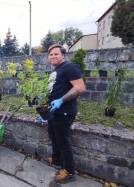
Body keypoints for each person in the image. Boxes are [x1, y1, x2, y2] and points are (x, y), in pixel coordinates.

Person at [45, 44, 85, 184]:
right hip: (53, 112)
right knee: (53, 137)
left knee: (63, 141)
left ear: (63, 55)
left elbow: (80, 87)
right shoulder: (55, 71)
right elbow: (53, 92)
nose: (53, 56)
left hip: (65, 112)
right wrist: (45, 110)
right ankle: (56, 160)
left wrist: (61, 100)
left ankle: (69, 171)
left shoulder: (69, 67)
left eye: (56, 54)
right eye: (51, 54)